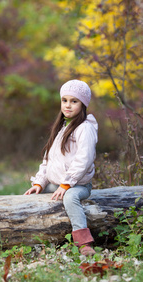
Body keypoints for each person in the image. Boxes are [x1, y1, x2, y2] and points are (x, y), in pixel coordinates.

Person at [24, 79, 98, 256]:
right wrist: (39, 183)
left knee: (70, 198)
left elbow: (84, 159)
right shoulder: (62, 127)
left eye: (74, 101)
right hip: (59, 183)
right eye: (64, 100)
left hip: (78, 185)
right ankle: (31, 234)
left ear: (83, 104)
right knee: (35, 194)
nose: (68, 105)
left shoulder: (85, 128)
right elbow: (48, 160)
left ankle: (84, 243)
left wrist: (67, 184)